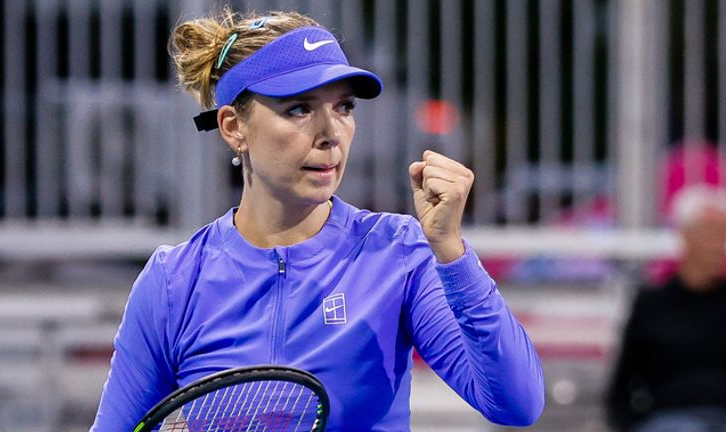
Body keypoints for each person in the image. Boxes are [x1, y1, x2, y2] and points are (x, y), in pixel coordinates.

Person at [90, 9, 544, 431]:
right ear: (233, 127)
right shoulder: (173, 281)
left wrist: (451, 252)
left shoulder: (399, 252)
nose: (331, 134)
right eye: (299, 109)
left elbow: (516, 404)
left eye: (344, 107)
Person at [606, 185, 726, 432]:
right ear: (686, 236)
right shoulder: (652, 304)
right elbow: (621, 387)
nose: (719, 245)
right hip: (669, 420)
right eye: (711, 233)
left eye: (723, 235)